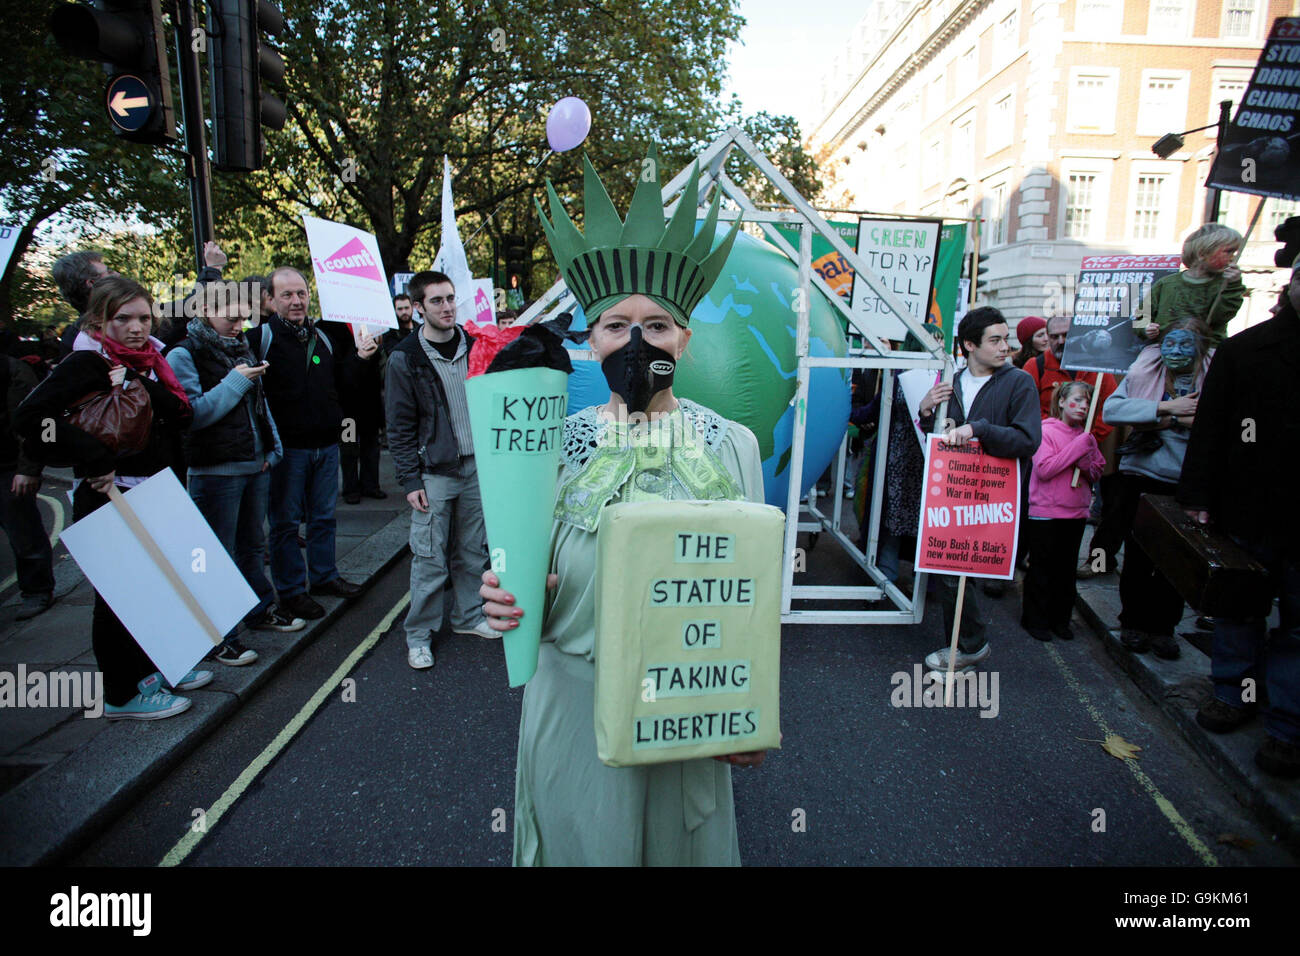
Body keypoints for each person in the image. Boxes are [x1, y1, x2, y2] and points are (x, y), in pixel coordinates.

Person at [478, 152, 767, 865]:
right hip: (572, 702)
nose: (637, 342)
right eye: (615, 326)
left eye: (658, 326)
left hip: (688, 704)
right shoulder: (546, 446)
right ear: (589, 341)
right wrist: (503, 600)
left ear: (685, 342)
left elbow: (751, 593)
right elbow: (517, 574)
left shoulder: (734, 445)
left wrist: (749, 709)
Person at [14, 276, 210, 717]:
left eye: (144, 317)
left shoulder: (149, 360)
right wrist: (95, 457)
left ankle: (156, 668)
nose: (137, 327)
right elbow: (30, 419)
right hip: (109, 494)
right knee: (119, 596)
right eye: (123, 319)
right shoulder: (85, 363)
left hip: (155, 488)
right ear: (100, 320)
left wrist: (141, 381)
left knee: (157, 587)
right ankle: (122, 694)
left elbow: (180, 415)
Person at [1178, 266, 1300, 778]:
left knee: (1297, 626)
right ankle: (1233, 692)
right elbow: (1210, 427)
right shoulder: (1245, 350)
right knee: (1237, 609)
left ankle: (1287, 726)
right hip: (1247, 508)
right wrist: (1199, 495)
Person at [165, 280, 305, 666]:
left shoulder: (240, 345)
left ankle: (258, 611)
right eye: (231, 317)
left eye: (243, 317)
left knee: (251, 547)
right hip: (214, 471)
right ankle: (219, 636)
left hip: (255, 462)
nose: (240, 325)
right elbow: (194, 415)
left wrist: (272, 447)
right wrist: (237, 380)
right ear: (204, 313)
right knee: (214, 555)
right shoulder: (184, 354)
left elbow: (259, 405)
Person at [917, 306, 1042, 671]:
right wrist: (926, 412)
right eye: (996, 340)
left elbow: (1027, 440)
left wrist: (980, 429)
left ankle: (967, 646)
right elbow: (940, 437)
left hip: (994, 495)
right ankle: (967, 646)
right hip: (952, 491)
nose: (1006, 347)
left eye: (1007, 338)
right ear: (969, 345)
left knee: (964, 571)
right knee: (949, 567)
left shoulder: (1019, 382)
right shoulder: (949, 382)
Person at [386, 270, 494, 670]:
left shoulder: (478, 345)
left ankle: (468, 617)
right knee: (429, 557)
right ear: (418, 309)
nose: (447, 307)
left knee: (472, 551)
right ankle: (418, 636)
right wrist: (410, 479)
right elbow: (398, 424)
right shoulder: (405, 357)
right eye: (437, 301)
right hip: (434, 470)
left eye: (451, 298)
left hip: (478, 466)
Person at [246, 267, 364, 622]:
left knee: (324, 518)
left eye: (301, 293)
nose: (296, 301)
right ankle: (292, 592)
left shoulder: (324, 338)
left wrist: (361, 358)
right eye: (287, 295)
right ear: (270, 300)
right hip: (288, 451)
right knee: (284, 524)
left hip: (326, 445)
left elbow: (342, 385)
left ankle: (324, 577)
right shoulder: (259, 339)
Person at [1103, 317, 1213, 660]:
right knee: (1139, 554)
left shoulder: (1216, 373)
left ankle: (1164, 628)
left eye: (1187, 345)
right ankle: (1133, 621)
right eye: (1171, 344)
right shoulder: (1144, 371)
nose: (1178, 351)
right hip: (1143, 473)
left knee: (1178, 558)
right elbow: (1113, 409)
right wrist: (1170, 412)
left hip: (1187, 479)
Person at [1024, 314, 1120, 576]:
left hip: (1081, 463)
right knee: (1032, 525)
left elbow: (1107, 412)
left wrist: (1084, 443)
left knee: (1067, 544)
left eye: (1066, 335)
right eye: (1053, 336)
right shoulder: (1037, 365)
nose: (1060, 341)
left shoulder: (1098, 371)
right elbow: (1026, 408)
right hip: (1044, 455)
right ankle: (1016, 562)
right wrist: (1056, 438)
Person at [850, 324, 944, 586]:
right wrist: (843, 411)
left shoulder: (947, 378)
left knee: (927, 522)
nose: (938, 349)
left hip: (929, 463)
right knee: (891, 521)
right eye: (932, 342)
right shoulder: (899, 375)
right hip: (897, 464)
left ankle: (924, 582)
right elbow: (874, 410)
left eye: (940, 343)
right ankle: (885, 578)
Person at [1021, 381, 1105, 641]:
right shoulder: (1045, 431)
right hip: (1046, 512)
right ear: (1061, 402)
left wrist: (1086, 458)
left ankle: (1060, 619)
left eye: (1088, 402)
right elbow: (1045, 469)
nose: (1083, 406)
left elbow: (1096, 471)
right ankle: (1036, 619)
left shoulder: (1086, 437)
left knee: (1065, 570)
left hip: (1076, 513)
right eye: (1078, 400)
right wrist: (1076, 450)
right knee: (1042, 568)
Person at [1, 354, 55, 620]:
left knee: (23, 533)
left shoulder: (11, 369)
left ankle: (36, 590)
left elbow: (37, 420)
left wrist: (28, 468)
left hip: (8, 467)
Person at [1142, 223, 1245, 345]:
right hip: (1165, 347)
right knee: (1141, 365)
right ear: (1202, 254)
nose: (1232, 257)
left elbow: (1222, 317)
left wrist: (1233, 286)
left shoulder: (1224, 284)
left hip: (1206, 348)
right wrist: (1145, 329)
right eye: (1228, 252)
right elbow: (1142, 315)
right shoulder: (1166, 284)